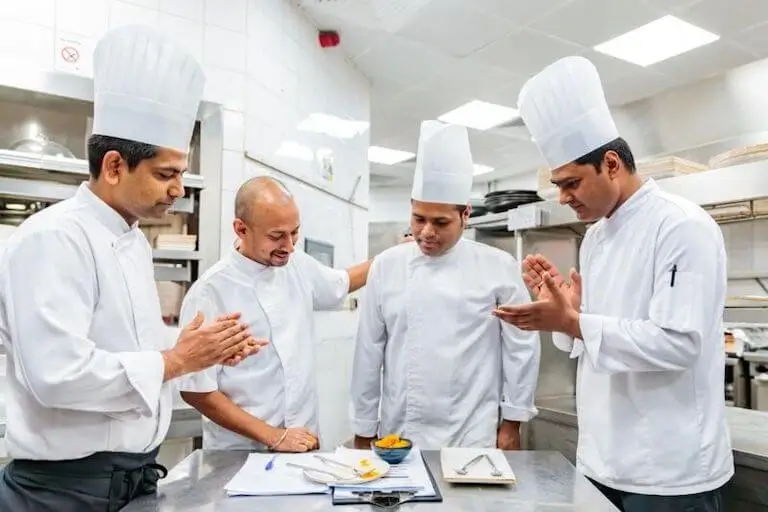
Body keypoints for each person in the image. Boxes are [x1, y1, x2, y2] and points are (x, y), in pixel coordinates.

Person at [0, 25, 266, 511]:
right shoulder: (53, 238)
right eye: (166, 174)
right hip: (63, 491)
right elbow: (57, 374)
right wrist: (176, 360)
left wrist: (202, 350)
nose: (178, 189)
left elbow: (129, 346)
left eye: (182, 174)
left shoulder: (132, 243)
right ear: (116, 166)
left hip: (130, 480)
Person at [493, 56, 732, 512]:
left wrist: (577, 321)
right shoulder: (598, 236)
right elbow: (592, 342)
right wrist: (567, 317)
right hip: (601, 460)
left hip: (669, 471)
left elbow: (678, 344)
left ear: (611, 163)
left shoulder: (682, 226)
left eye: (571, 184)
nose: (563, 198)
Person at [350, 120, 541, 451]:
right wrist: (364, 429)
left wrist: (512, 424)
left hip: (473, 431)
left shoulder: (498, 268)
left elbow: (520, 349)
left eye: (440, 222)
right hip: (400, 428)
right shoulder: (387, 266)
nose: (426, 232)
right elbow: (368, 352)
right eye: (418, 219)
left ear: (466, 214)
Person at [178, 176, 373, 452]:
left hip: (302, 442)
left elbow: (340, 283)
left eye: (295, 232)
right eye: (276, 236)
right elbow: (196, 390)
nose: (290, 245)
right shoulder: (211, 292)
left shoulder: (296, 264)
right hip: (240, 453)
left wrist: (392, 258)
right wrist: (273, 436)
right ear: (241, 229)